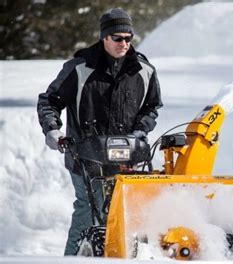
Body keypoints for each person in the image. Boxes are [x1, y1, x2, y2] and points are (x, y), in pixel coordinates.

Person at [37, 7, 162, 255]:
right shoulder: (80, 68)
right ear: (104, 37)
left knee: (127, 212)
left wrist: (139, 131)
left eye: (128, 38)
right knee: (88, 208)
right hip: (85, 155)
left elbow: (152, 107)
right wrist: (52, 130)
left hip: (127, 157)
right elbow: (49, 101)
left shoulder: (144, 70)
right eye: (117, 38)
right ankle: (73, 258)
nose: (124, 43)